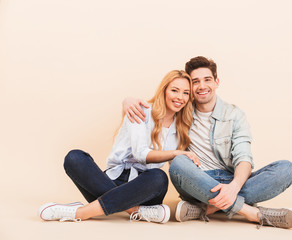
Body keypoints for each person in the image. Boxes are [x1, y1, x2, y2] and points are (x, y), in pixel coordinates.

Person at [123, 56, 292, 229]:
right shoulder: (180, 107)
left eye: (207, 79)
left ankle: (206, 208)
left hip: (230, 181)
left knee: (286, 169)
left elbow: (243, 157)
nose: (202, 86)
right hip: (195, 181)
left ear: (216, 82)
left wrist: (234, 187)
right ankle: (251, 213)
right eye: (195, 81)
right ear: (190, 87)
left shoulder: (234, 115)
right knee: (178, 163)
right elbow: (157, 106)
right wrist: (127, 101)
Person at [38, 70, 200, 223]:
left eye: (186, 93)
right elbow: (140, 154)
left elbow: (176, 169)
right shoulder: (140, 110)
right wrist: (176, 153)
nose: (180, 97)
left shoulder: (182, 127)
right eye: (175, 90)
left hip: (144, 188)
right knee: (74, 158)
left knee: (159, 177)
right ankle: (134, 211)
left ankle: (80, 212)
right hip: (112, 180)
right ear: (164, 90)